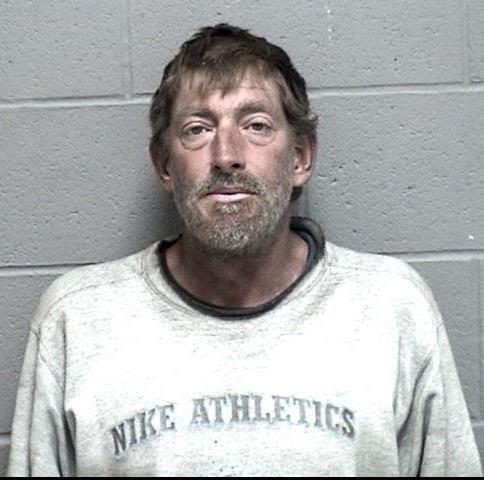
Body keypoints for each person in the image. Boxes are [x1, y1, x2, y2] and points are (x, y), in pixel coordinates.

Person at [7, 23, 482, 477]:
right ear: (165, 164)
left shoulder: (392, 309)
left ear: (300, 158)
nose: (226, 156)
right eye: (198, 129)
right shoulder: (77, 319)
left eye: (256, 125)